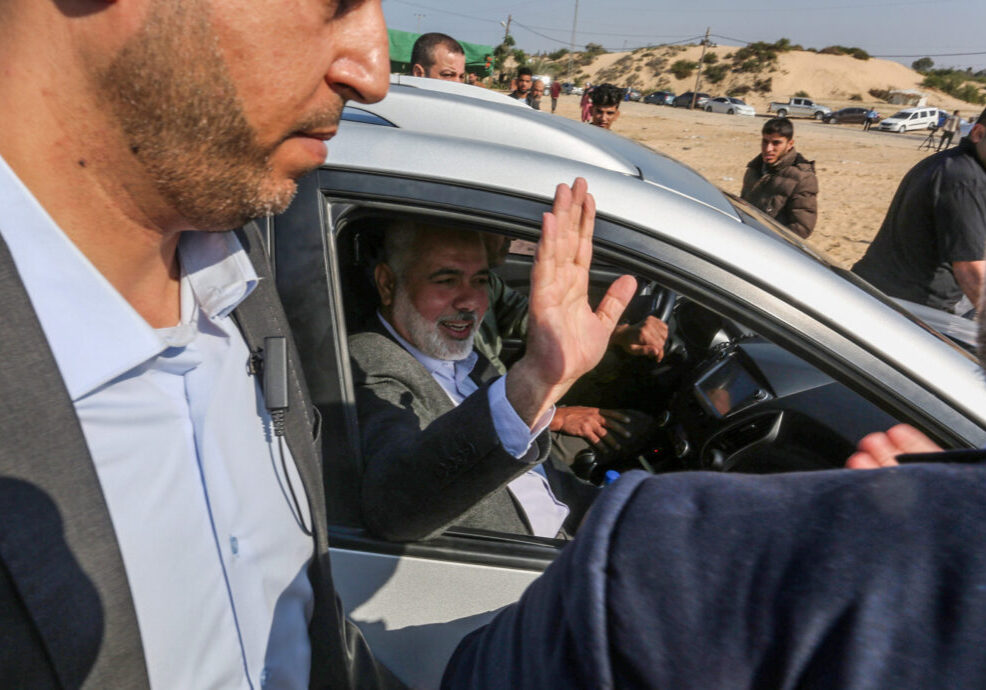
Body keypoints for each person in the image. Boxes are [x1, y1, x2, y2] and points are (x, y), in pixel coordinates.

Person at [852, 108, 986, 314]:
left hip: (883, 290)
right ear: (978, 133)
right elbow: (970, 270)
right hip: (908, 307)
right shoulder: (965, 180)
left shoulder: (949, 161)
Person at [741, 117, 819, 238]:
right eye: (765, 141)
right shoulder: (754, 168)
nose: (768, 149)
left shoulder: (803, 178)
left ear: (790, 144)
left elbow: (801, 228)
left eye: (776, 143)